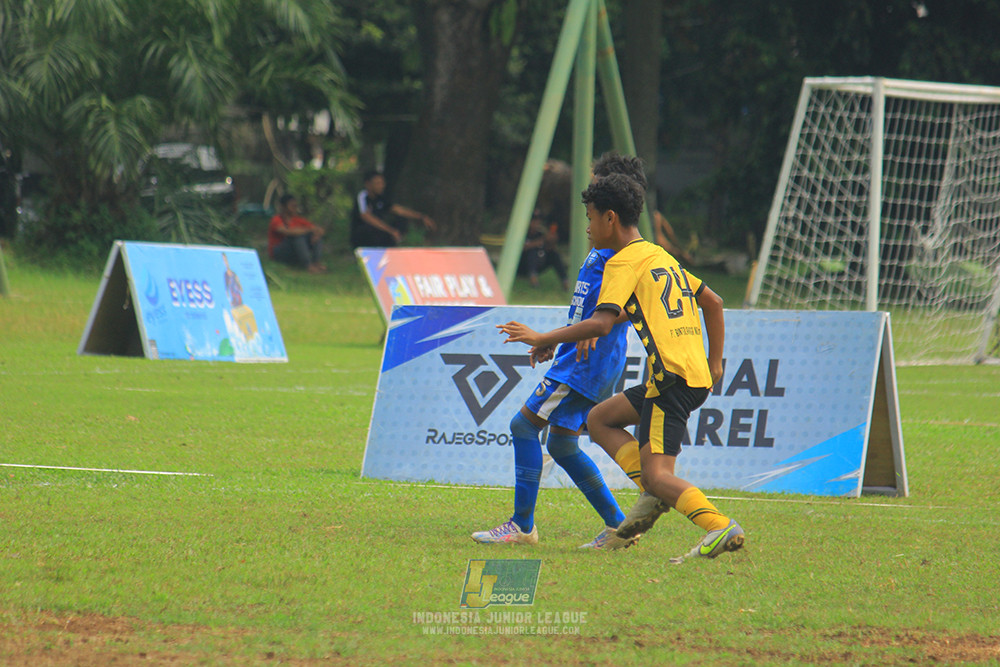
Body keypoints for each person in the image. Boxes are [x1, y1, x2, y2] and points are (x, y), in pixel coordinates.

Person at [498, 171, 745, 564]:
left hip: (672, 381)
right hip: (685, 376)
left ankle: (717, 524)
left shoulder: (621, 263)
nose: (588, 228)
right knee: (599, 420)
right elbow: (713, 302)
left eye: (591, 218)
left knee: (660, 475)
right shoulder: (659, 255)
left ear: (610, 218)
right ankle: (651, 492)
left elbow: (601, 323)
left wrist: (543, 336)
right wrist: (715, 363)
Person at [471, 153, 646, 551]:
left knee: (523, 426)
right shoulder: (603, 241)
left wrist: (570, 332)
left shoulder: (622, 249)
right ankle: (619, 527)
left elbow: (632, 303)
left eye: (595, 185)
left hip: (588, 363)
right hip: (580, 356)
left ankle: (521, 526)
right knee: (562, 444)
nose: (588, 195)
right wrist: (560, 339)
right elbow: (593, 306)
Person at [349, 170, 436, 248]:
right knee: (369, 228)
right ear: (368, 184)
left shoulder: (381, 198)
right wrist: (390, 230)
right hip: (363, 235)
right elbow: (366, 217)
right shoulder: (362, 197)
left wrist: (421, 216)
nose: (381, 186)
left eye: (382, 183)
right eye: (377, 183)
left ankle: (397, 243)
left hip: (380, 232)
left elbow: (398, 210)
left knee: (401, 220)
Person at [268, 194, 326, 273]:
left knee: (315, 237)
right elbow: (287, 232)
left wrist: (316, 235)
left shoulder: (298, 220)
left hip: (294, 252)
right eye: (292, 206)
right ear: (284, 207)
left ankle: (316, 262)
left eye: (295, 205)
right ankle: (308, 265)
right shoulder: (276, 219)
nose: (295, 208)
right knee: (297, 237)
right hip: (280, 252)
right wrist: (309, 230)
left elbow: (319, 230)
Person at [519, 209, 569, 290]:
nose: (536, 222)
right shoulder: (521, 233)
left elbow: (548, 249)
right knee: (532, 252)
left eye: (539, 219)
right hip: (522, 265)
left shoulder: (540, 233)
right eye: (534, 219)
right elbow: (522, 247)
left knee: (554, 255)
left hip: (538, 263)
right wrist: (541, 240)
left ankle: (565, 281)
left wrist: (551, 241)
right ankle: (533, 279)